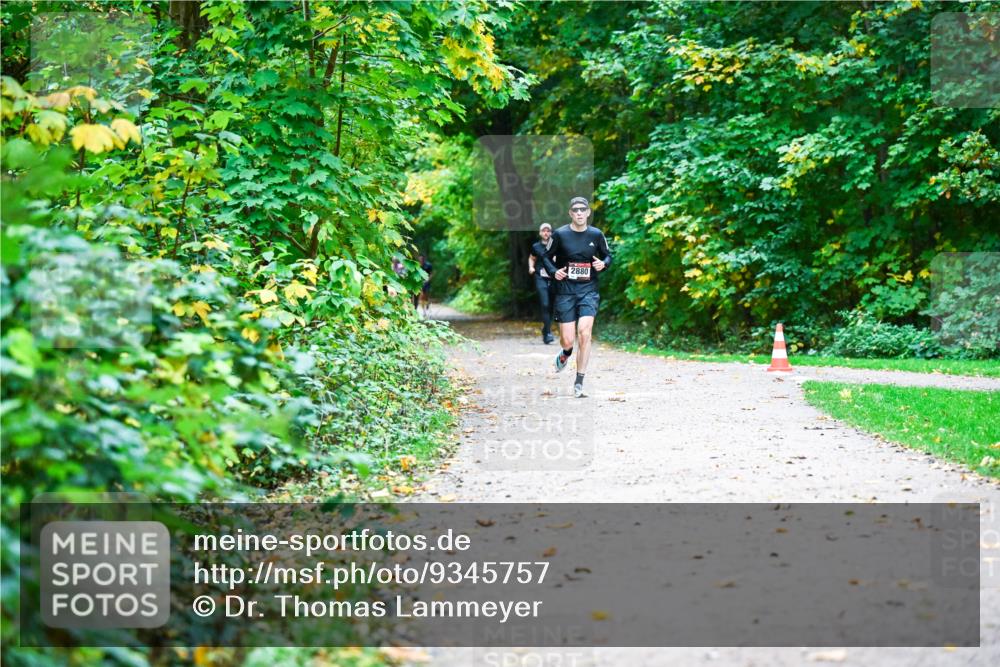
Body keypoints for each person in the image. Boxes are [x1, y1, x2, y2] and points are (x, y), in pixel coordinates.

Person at [541, 197, 612, 398]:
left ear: (588, 212)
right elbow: (545, 257)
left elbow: (608, 256)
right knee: (568, 340)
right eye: (575, 210)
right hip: (565, 291)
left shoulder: (596, 234)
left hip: (589, 290)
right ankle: (565, 354)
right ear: (570, 213)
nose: (579, 213)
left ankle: (579, 382)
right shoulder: (560, 235)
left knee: (585, 333)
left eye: (583, 209)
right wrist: (554, 272)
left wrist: (603, 264)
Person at [528, 223, 556, 344]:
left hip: (554, 278)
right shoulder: (536, 246)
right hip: (541, 277)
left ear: (551, 233)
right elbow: (531, 258)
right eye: (543, 231)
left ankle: (545, 330)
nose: (546, 233)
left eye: (548, 231)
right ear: (540, 233)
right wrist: (531, 267)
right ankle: (548, 333)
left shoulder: (556, 245)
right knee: (545, 304)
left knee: (552, 306)